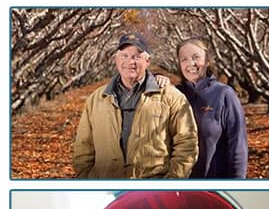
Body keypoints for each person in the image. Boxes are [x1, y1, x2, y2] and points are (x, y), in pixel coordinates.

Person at [73, 33, 199, 179]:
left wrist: (170, 182)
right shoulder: (97, 99)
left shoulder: (171, 97)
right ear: (116, 60)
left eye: (136, 57)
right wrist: (88, 180)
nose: (130, 62)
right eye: (124, 56)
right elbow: (83, 147)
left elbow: (187, 143)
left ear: (147, 61)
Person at [175, 38, 248, 178]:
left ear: (207, 61)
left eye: (196, 57)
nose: (190, 63)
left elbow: (238, 146)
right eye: (184, 59)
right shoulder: (174, 95)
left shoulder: (224, 94)